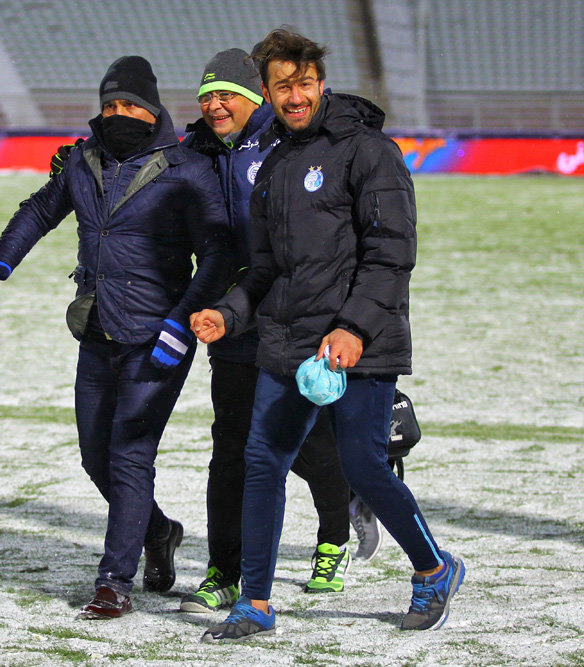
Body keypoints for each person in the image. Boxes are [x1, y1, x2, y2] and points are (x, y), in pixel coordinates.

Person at [191, 29, 465, 641]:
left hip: (358, 345)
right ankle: (256, 604)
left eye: (304, 84)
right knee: (262, 462)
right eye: (282, 86)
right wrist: (229, 314)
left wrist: (353, 328)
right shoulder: (275, 167)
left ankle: (433, 568)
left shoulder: (369, 151)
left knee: (363, 464)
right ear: (266, 92)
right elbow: (265, 271)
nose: (295, 97)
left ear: (320, 83)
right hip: (288, 342)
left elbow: (392, 253)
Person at [0, 55, 230, 619]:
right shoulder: (82, 160)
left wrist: (180, 322)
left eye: (131, 105)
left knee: (130, 454)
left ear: (154, 108)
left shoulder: (186, 167)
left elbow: (217, 252)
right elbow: (41, 210)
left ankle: (114, 581)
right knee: (96, 457)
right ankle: (159, 531)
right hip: (97, 329)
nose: (120, 114)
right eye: (110, 105)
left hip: (157, 334)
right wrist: (0, 261)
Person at [177, 48, 378, 614]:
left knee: (312, 447)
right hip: (235, 319)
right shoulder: (196, 151)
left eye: (228, 95)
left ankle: (334, 536)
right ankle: (225, 569)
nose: (216, 105)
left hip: (294, 318)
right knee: (231, 448)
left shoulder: (285, 143)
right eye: (207, 95)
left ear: (255, 97)